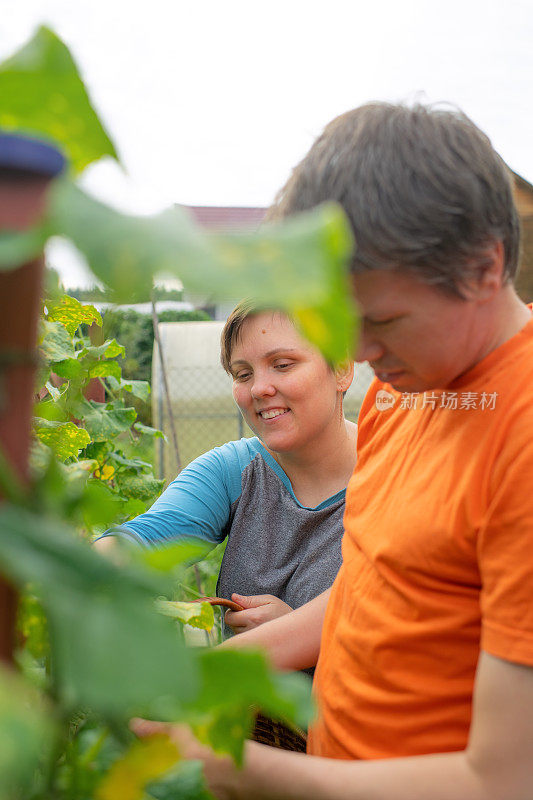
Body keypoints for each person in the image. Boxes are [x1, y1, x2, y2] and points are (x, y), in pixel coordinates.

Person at [133, 103, 533, 799]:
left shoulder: (520, 434)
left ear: (482, 267)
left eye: (380, 319)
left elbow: (503, 779)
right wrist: (213, 674)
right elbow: (372, 583)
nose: (360, 353)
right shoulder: (405, 386)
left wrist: (234, 767)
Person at [95, 301, 357, 636]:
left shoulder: (396, 478)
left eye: (282, 364)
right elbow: (145, 541)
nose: (259, 389)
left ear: (341, 370)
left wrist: (294, 632)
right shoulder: (232, 472)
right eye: (243, 374)